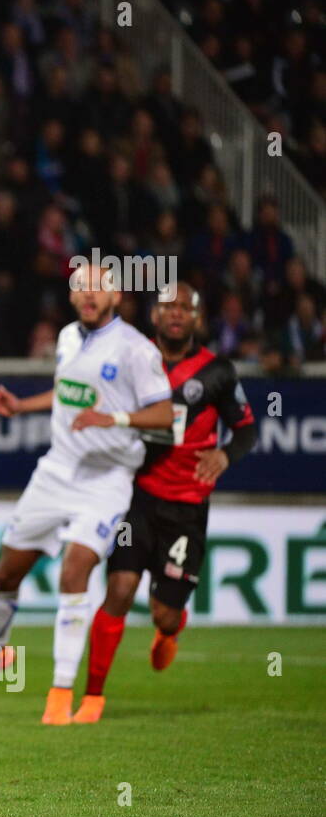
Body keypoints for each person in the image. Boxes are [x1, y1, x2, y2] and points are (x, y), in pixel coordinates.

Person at [0, 264, 174, 722]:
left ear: (116, 295)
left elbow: (165, 414)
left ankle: (61, 693)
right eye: (80, 288)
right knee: (6, 574)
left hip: (106, 479)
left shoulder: (136, 349)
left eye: (98, 287)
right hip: (55, 472)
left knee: (74, 573)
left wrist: (114, 420)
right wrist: (21, 405)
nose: (88, 294)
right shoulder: (70, 336)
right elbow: (67, 392)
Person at [73, 282, 255, 722]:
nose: (175, 314)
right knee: (119, 588)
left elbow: (247, 428)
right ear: (154, 316)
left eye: (185, 307)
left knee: (166, 615)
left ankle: (169, 631)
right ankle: (93, 697)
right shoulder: (133, 358)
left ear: (197, 318)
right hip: (136, 496)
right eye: (167, 306)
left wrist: (225, 453)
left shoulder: (218, 372)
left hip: (187, 508)